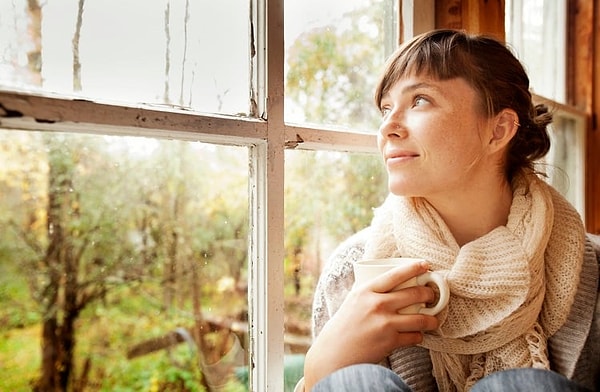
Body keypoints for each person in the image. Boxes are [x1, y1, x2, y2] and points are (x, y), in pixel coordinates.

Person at [297, 29, 600, 391]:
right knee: (358, 382)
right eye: (386, 109)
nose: (388, 127)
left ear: (498, 129)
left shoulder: (590, 272)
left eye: (420, 100)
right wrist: (322, 366)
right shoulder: (355, 271)